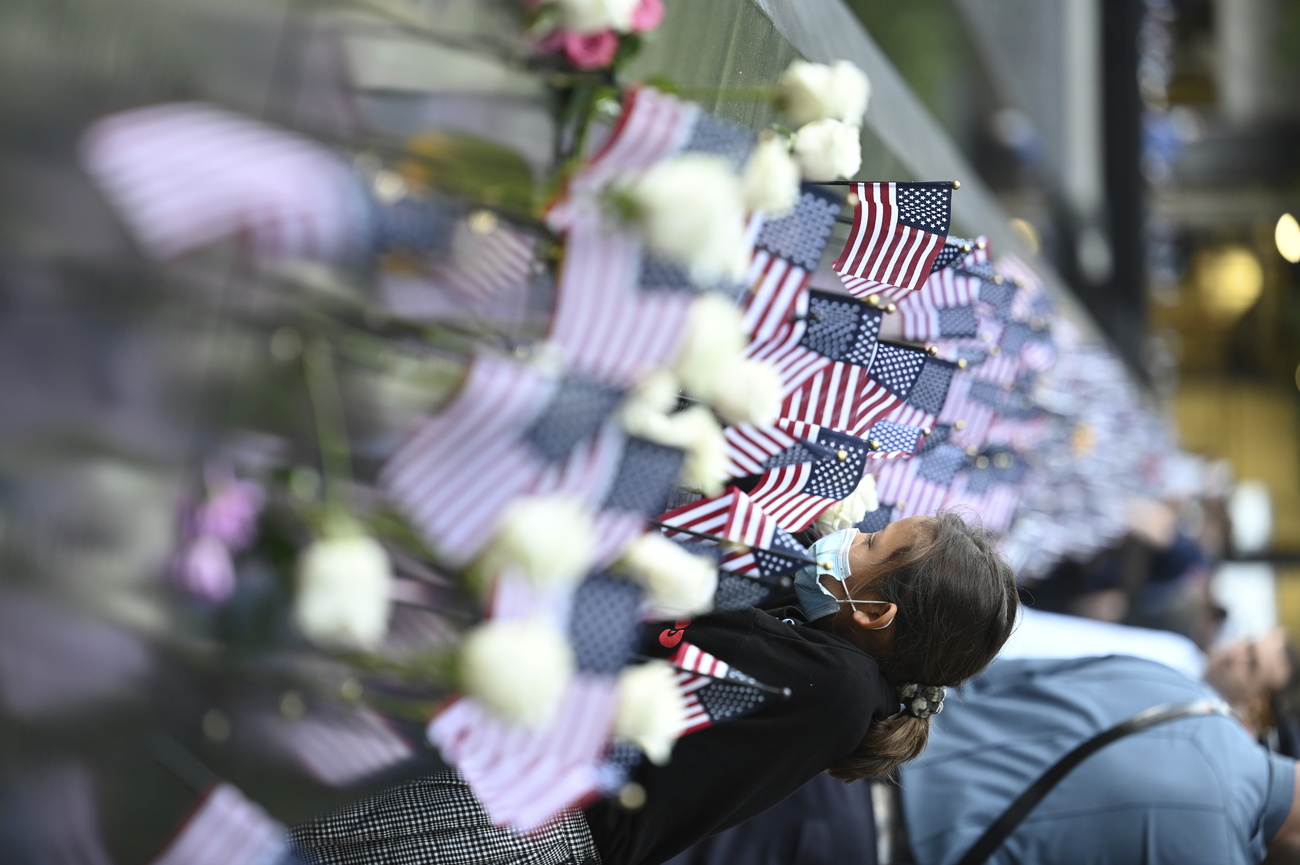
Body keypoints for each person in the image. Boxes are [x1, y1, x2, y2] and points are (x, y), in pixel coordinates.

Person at [290, 513, 1019, 865]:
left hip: (513, 818)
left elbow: (667, 632)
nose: (849, 534)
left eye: (870, 545)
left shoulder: (837, 685)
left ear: (874, 612)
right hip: (532, 789)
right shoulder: (841, 671)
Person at [670, 652, 1300, 865]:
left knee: (621, 802)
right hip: (860, 848)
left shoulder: (1185, 692)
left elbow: (979, 674)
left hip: (838, 747)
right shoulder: (1212, 851)